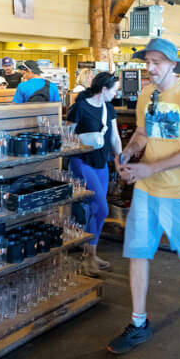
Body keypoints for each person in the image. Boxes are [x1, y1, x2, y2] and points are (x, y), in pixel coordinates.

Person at [107, 37, 180, 354]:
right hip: (147, 188)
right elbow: (142, 134)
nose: (150, 68)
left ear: (172, 64)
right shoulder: (146, 94)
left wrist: (151, 168)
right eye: (147, 62)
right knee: (138, 252)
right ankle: (139, 322)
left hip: (179, 190)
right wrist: (129, 153)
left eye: (156, 62)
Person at [67, 71, 123, 276]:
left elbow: (115, 138)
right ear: (104, 89)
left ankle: (91, 254)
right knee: (101, 208)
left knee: (97, 210)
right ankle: (88, 257)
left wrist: (120, 160)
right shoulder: (79, 108)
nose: (116, 94)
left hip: (101, 164)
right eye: (115, 90)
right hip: (82, 163)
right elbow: (66, 136)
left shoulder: (109, 108)